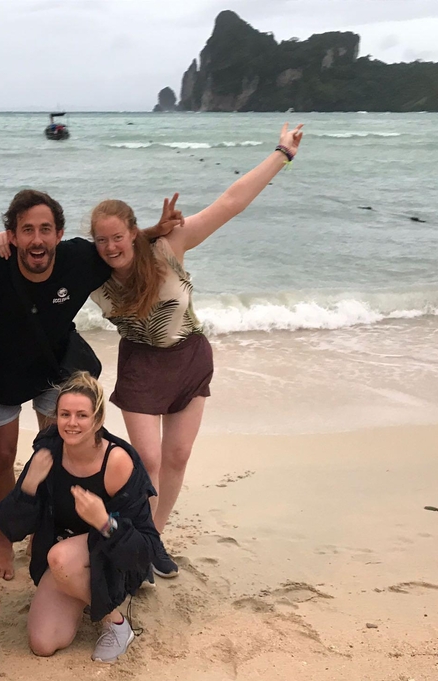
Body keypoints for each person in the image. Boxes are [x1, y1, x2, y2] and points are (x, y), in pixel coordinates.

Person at [86, 123, 306, 578]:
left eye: (117, 237)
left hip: (189, 357)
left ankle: (153, 538)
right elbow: (39, 258)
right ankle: (133, 534)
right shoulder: (90, 273)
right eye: (101, 240)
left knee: (177, 456)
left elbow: (230, 203)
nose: (110, 247)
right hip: (141, 364)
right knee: (147, 459)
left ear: (133, 233)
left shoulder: (169, 247)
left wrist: (281, 153)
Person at [0, 190, 179, 580]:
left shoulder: (79, 258)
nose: (37, 239)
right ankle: (5, 543)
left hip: (53, 369)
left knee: (52, 454)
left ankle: (41, 533)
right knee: (3, 457)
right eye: (26, 230)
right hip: (1, 373)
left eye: (45, 229)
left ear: (60, 234)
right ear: (11, 235)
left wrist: (154, 231)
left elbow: (116, 246)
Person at [0, 372, 160, 663]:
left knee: (60, 557)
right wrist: (28, 486)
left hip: (111, 556)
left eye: (82, 415)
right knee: (43, 643)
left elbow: (144, 550)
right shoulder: (48, 453)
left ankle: (117, 624)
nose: (71, 423)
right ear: (55, 417)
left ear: (97, 419)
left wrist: (104, 521)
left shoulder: (117, 462)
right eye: (64, 414)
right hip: (66, 560)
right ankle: (82, 590)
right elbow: (11, 527)